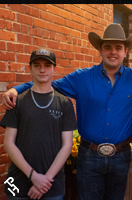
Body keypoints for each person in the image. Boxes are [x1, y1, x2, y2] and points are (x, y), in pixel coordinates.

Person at [2, 24, 132, 200]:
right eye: (108, 47)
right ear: (100, 50)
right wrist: (16, 89)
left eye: (118, 48)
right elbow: (47, 84)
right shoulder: (81, 78)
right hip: (89, 156)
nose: (113, 52)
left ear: (126, 51)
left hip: (121, 157)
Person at [0, 49, 77, 200]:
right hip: (17, 182)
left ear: (55, 69)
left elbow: (67, 145)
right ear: (30, 68)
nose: (42, 69)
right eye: (37, 65)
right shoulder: (17, 101)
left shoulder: (64, 103)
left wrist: (44, 180)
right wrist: (33, 176)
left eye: (47, 65)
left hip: (52, 184)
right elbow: (8, 143)